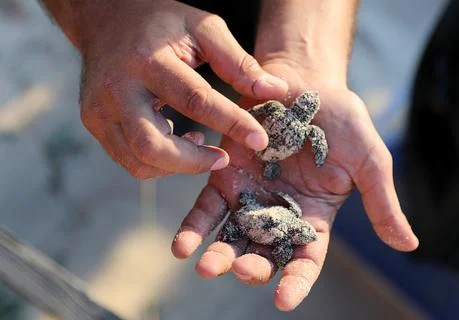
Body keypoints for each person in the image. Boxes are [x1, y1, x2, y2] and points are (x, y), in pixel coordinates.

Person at [41, 0, 419, 311]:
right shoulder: (304, 147)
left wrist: (304, 62)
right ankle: (169, 103)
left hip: (251, 53)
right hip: (159, 30)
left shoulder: (291, 183)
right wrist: (107, 19)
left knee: (202, 98)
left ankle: (182, 108)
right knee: (165, 96)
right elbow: (299, 145)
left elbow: (273, 120)